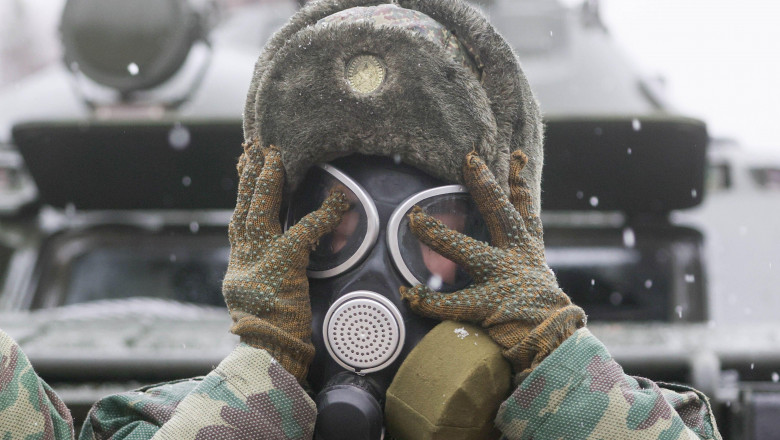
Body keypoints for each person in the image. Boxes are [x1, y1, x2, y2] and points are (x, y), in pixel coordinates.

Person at [1, 0, 721, 439]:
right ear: (274, 242)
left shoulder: (618, 421)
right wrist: (264, 387)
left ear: (500, 247)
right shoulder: (155, 426)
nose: (371, 268)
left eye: (429, 227)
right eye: (329, 225)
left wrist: (552, 367)